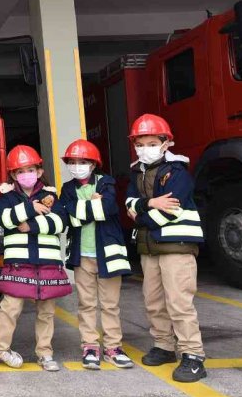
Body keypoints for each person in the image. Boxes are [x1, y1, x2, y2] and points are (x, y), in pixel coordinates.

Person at [125, 114, 207, 382]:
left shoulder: (178, 172)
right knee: (154, 301)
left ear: (166, 143)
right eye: (140, 143)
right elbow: (128, 203)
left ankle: (193, 356)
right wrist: (149, 204)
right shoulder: (137, 171)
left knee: (179, 302)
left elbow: (171, 209)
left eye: (150, 142)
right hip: (150, 249)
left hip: (176, 247)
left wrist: (141, 215)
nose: (144, 148)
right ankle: (164, 346)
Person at [58, 139, 134, 370]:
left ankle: (113, 348)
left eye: (82, 161)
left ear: (93, 164)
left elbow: (109, 208)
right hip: (82, 256)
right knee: (86, 304)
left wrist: (81, 210)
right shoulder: (68, 188)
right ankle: (89, 346)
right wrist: (92, 206)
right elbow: (66, 216)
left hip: (108, 255)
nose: (77, 165)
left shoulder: (106, 182)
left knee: (110, 305)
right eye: (73, 162)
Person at [0, 145, 68, 372]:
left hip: (48, 262)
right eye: (20, 171)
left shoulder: (51, 195)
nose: (26, 174)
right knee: (10, 308)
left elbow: (60, 223)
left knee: (46, 311)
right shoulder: (6, 197)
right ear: (13, 175)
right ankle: (1, 348)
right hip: (19, 262)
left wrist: (29, 226)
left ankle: (45, 353)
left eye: (30, 169)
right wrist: (30, 207)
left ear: (39, 170)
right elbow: (5, 220)